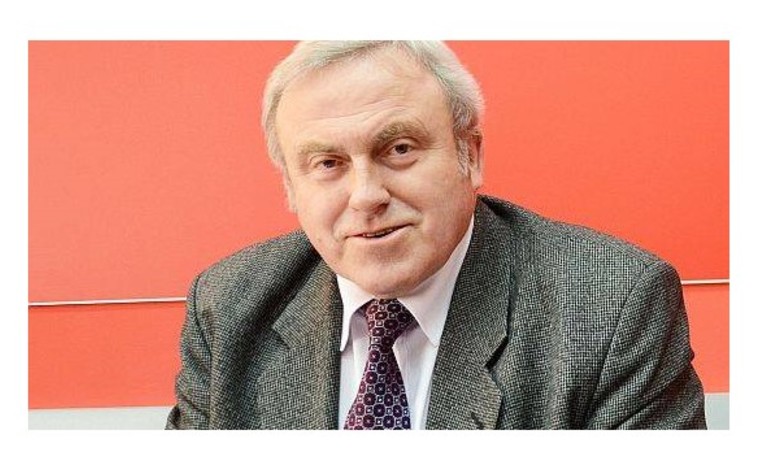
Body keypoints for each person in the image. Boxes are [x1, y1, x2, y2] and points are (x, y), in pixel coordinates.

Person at [166, 41, 706, 430]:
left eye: (398, 149)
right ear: (290, 187)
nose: (365, 196)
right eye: (327, 163)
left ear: (470, 156)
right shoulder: (228, 306)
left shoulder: (613, 306)